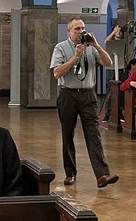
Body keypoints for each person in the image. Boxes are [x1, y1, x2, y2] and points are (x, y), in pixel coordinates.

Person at [50, 18, 118, 188]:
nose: (81, 31)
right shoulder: (60, 47)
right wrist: (75, 56)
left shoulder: (90, 47)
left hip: (88, 95)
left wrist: (96, 45)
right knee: (67, 135)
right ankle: (70, 173)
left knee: (93, 133)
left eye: (83, 28)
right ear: (69, 31)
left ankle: (102, 175)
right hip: (68, 95)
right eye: (77, 28)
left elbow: (108, 63)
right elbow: (57, 73)